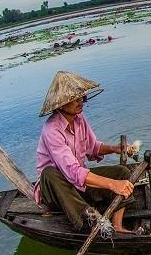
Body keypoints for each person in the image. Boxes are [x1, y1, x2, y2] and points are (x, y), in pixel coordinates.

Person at [33, 70, 137, 233]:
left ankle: (117, 226)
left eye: (81, 96)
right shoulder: (51, 130)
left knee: (122, 172)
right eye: (73, 98)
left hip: (76, 183)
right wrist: (112, 184)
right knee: (49, 172)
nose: (80, 101)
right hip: (56, 190)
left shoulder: (79, 119)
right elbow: (72, 171)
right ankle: (89, 219)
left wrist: (116, 148)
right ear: (60, 104)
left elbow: (93, 147)